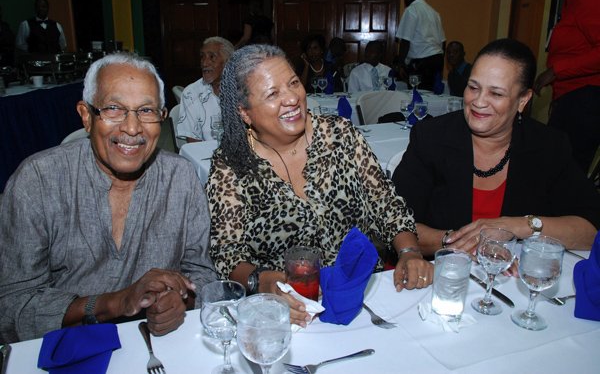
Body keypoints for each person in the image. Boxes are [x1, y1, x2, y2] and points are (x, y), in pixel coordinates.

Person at [207, 44, 432, 328]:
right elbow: (227, 255)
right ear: (245, 113)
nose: (291, 98)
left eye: (293, 83)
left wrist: (409, 252)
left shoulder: (339, 134)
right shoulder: (231, 164)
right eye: (273, 93)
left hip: (363, 297)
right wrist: (266, 283)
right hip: (289, 312)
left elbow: (386, 204)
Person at [0, 52, 217, 343]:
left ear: (162, 119)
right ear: (86, 116)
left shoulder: (180, 177)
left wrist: (182, 300)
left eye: (146, 110)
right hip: (64, 349)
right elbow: (12, 308)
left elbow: (202, 274)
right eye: (113, 108)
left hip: (161, 346)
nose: (131, 128)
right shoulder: (38, 181)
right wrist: (115, 302)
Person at [392, 38, 600, 259]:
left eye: (496, 94)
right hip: (445, 276)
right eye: (473, 87)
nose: (479, 102)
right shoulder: (432, 137)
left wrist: (519, 226)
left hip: (512, 282)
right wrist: (461, 241)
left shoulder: (548, 145)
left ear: (523, 100)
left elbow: (590, 229)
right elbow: (394, 220)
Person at [533, 0, 600, 173]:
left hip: (586, 98)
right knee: (554, 168)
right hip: (574, 97)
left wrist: (556, 71)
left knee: (563, 175)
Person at [177, 36, 234, 142]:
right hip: (206, 155)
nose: (204, 63)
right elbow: (193, 142)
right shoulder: (192, 93)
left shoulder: (244, 89)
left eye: (212, 57)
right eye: (202, 57)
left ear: (228, 62)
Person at [394, 0, 446, 91]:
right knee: (432, 95)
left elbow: (405, 41)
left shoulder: (411, 10)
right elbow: (443, 41)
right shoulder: (434, 13)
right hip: (437, 60)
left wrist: (400, 64)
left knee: (417, 96)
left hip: (421, 63)